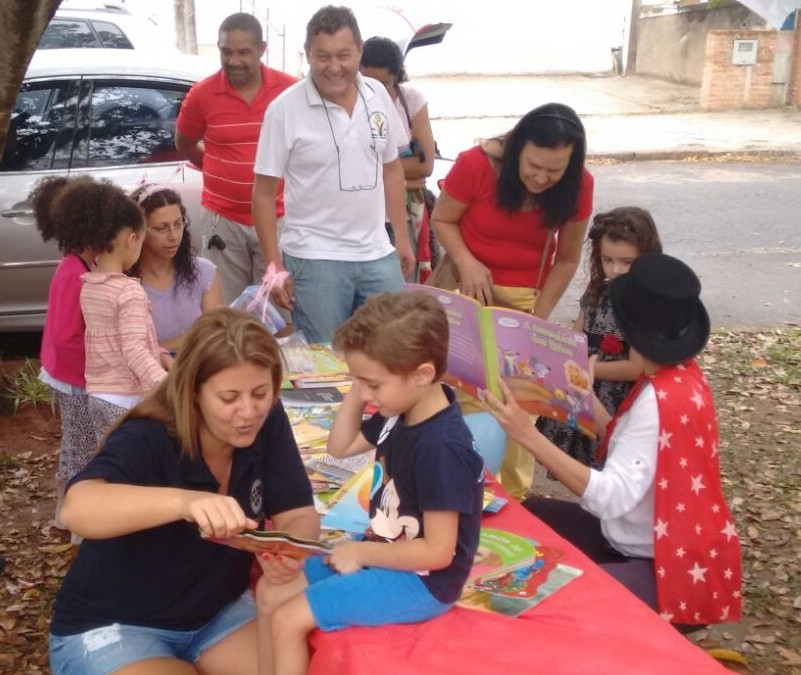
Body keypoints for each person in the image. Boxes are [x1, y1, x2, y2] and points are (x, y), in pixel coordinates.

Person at [48, 307, 319, 675]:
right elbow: (77, 507)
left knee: (304, 661)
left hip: (217, 614)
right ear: (193, 393)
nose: (248, 411)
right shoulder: (149, 436)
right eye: (228, 398)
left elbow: (298, 512)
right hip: (116, 624)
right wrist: (185, 502)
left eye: (260, 393)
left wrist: (290, 551)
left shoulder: (265, 421)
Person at [483, 253, 742, 627]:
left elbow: (610, 497)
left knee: (548, 603)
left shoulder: (657, 401)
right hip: (658, 547)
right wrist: (582, 397)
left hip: (664, 570)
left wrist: (526, 435)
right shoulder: (679, 377)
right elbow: (626, 440)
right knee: (530, 513)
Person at [255, 291, 484, 675]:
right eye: (358, 381)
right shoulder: (403, 407)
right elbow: (340, 445)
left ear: (423, 374)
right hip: (386, 551)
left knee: (287, 618)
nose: (365, 393)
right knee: (269, 593)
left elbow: (439, 553)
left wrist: (361, 555)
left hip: (423, 582)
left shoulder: (441, 447)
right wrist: (360, 391)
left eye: (373, 384)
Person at [431, 102, 594, 499]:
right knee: (464, 400)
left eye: (554, 171)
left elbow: (567, 257)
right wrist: (468, 262)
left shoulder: (580, 185)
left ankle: (514, 501)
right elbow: (442, 219)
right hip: (467, 294)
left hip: (525, 304)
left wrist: (537, 320)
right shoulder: (476, 165)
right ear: (517, 148)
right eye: (532, 166)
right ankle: (463, 492)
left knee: (519, 405)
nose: (541, 178)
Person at [252, 5, 415, 345]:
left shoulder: (377, 94)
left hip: (377, 254)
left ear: (359, 51)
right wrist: (274, 268)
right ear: (308, 54)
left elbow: (391, 169)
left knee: (389, 353)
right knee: (324, 364)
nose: (334, 67)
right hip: (315, 260)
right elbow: (264, 193)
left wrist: (400, 237)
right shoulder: (284, 109)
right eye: (322, 56)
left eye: (344, 55)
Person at [175, 12, 296, 304]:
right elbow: (185, 144)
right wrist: (221, 170)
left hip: (280, 219)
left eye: (243, 52)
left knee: (278, 311)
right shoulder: (202, 94)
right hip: (223, 221)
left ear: (262, 49)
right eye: (226, 52)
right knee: (225, 310)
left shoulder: (290, 90)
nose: (234, 61)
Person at [537, 206, 662, 469]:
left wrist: (588, 370)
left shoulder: (643, 303)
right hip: (584, 391)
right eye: (607, 260)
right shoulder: (597, 292)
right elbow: (577, 338)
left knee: (612, 464)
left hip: (616, 401)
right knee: (582, 469)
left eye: (626, 262)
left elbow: (636, 367)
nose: (615, 269)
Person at [29, 176, 98, 529]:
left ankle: (65, 514)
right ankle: (81, 524)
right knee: (84, 451)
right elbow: (70, 338)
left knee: (76, 446)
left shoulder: (73, 266)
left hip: (65, 375)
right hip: (74, 380)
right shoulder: (77, 275)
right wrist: (95, 375)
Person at [79, 181, 167, 444]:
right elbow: (134, 349)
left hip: (98, 395)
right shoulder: (128, 292)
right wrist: (168, 386)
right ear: (132, 239)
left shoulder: (89, 286)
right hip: (127, 397)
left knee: (113, 463)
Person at [360, 36, 436, 282]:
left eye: (384, 83)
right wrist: (405, 179)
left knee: (400, 294)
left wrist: (373, 169)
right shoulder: (348, 104)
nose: (376, 91)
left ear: (397, 77)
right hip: (364, 221)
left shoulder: (411, 100)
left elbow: (425, 165)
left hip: (402, 219)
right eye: (367, 82)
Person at [129, 184, 223, 354]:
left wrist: (159, 349)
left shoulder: (202, 272)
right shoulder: (125, 283)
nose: (173, 236)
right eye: (161, 228)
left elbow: (215, 335)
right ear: (139, 232)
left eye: (178, 224)